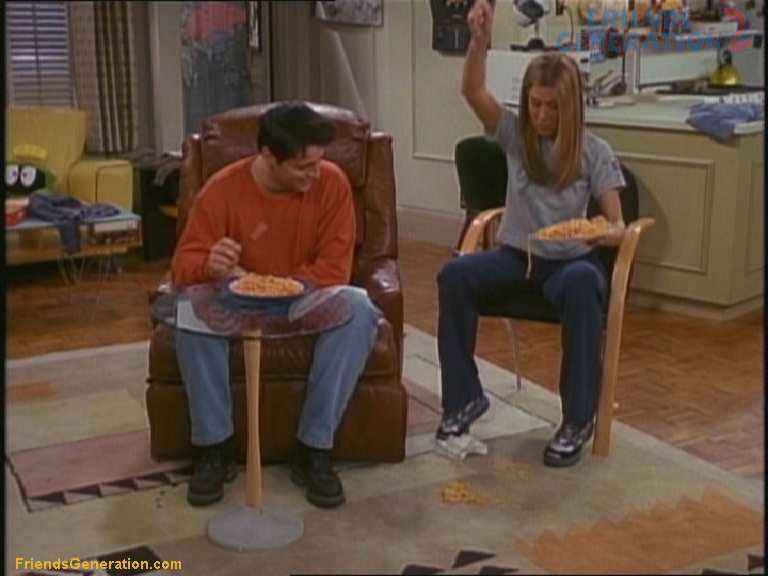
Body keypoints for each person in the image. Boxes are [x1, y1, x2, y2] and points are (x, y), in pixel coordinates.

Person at [435, 0, 627, 467]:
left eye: (551, 107)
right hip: (515, 256)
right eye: (535, 104)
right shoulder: (515, 135)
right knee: (454, 275)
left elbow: (618, 225)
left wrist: (605, 233)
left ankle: (577, 418)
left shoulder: (594, 152)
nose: (540, 115)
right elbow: (472, 90)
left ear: (570, 107)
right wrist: (479, 40)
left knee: (583, 285)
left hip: (570, 262)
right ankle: (464, 400)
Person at [171, 102, 381, 508]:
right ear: (268, 156)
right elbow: (182, 268)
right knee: (189, 306)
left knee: (359, 308)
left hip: (304, 299)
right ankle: (214, 448)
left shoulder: (333, 184)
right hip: (236, 299)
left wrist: (279, 286)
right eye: (304, 167)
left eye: (319, 163)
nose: (315, 174)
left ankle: (313, 449)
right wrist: (210, 265)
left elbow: (335, 268)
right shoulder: (221, 190)